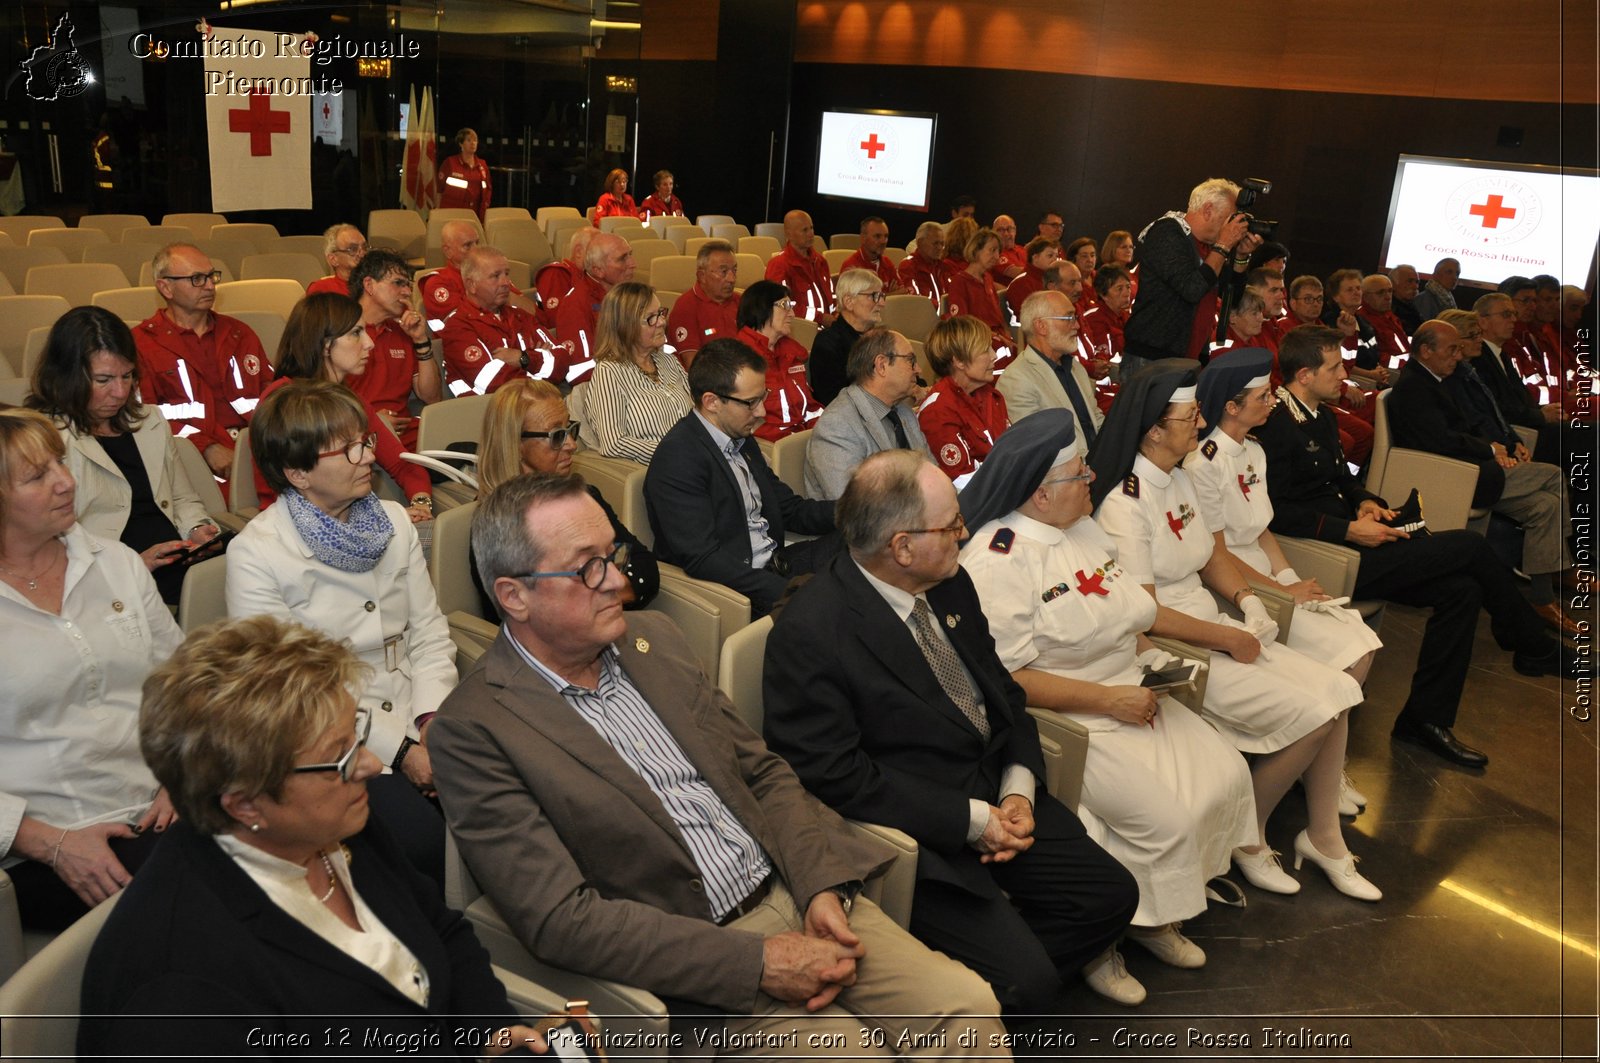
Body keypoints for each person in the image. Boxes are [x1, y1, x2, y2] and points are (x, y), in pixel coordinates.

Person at [431, 473, 1007, 1054]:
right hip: (705, 962)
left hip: (800, 891)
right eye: (587, 568)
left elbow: (762, 772)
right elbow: (562, 919)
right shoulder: (476, 728)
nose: (619, 580)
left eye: (615, 555)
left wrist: (817, 887)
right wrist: (757, 962)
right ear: (514, 595)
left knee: (971, 1009)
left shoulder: (654, 639)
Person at [763, 449, 1141, 1010]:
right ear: (901, 547)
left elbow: (1003, 695)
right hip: (921, 828)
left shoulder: (948, 583)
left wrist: (1018, 787)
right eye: (952, 526)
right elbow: (831, 775)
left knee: (1112, 897)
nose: (965, 535)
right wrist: (970, 822)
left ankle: (996, 992)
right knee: (1029, 983)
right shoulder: (812, 632)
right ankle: (978, 1014)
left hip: (996, 790)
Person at [79, 616, 546, 1057]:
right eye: (339, 757)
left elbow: (440, 931)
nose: (367, 766)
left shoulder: (332, 823)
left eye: (355, 737)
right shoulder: (179, 990)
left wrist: (490, 1033)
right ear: (244, 803)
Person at [960, 411, 1255, 1002]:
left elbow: (1126, 614)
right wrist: (1107, 699)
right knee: (1164, 818)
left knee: (1225, 775)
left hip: (1130, 692)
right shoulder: (1000, 559)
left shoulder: (1085, 530)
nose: (1093, 476)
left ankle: (1151, 918)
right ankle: (1104, 942)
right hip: (1071, 718)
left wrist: (1151, 666)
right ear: (1040, 494)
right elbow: (1008, 678)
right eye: (1078, 473)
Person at [1090, 359, 1379, 902]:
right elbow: (1145, 614)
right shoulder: (1124, 505)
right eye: (1188, 417)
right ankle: (1249, 839)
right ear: (1154, 429)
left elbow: (1208, 557)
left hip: (1213, 621)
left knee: (1340, 691)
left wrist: (1248, 602)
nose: (1199, 426)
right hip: (1179, 642)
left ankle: (1323, 837)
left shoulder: (1175, 480)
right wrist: (1226, 636)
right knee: (1317, 711)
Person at [1255, 326, 1572, 769]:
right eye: (1334, 366)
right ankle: (1531, 644)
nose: (1344, 372)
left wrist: (1366, 502)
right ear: (1304, 374)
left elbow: (1343, 479)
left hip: (1354, 540)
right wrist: (1347, 530)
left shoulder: (1322, 415)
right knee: (1468, 548)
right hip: (1321, 553)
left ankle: (1425, 721)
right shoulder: (1275, 425)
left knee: (1462, 590)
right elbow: (1274, 511)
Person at [226, 380, 453, 883]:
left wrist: (434, 718)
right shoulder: (257, 554)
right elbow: (299, 692)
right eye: (348, 448)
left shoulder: (392, 519)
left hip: (421, 707)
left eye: (366, 440)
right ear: (297, 473)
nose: (367, 456)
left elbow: (429, 632)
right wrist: (403, 750)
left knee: (510, 800)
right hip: (338, 744)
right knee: (425, 844)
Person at [0, 408, 182, 931]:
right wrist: (51, 844)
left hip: (160, 804)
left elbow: (180, 681)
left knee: (292, 824)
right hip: (51, 841)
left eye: (60, 462)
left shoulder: (114, 561)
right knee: (202, 892)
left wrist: (182, 773)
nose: (66, 482)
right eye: (38, 476)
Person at [1184, 348, 1384, 815]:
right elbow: (1219, 553)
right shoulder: (1204, 464)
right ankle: (1314, 767)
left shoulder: (1253, 450)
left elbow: (1262, 529)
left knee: (1362, 641)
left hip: (1266, 574)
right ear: (1231, 407)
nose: (1272, 401)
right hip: (1233, 587)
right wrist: (1280, 592)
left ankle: (1322, 767)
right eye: (1262, 395)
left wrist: (1291, 576)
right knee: (1351, 652)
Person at [1387, 320, 1573, 633]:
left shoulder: (1437, 380)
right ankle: (1560, 568)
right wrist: (1489, 449)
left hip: (1473, 468)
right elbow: (1440, 440)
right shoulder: (1414, 388)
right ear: (1425, 351)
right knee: (1554, 476)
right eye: (1451, 349)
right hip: (1456, 477)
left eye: (1459, 349)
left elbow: (1464, 426)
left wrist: (1499, 447)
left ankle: (1543, 597)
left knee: (1546, 506)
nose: (1458, 356)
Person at [29, 307, 221, 607]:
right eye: (103, 380)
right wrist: (127, 565)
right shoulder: (43, 438)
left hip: (176, 559)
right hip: (101, 579)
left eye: (128, 376)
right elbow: (45, 541)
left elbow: (183, 499)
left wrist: (197, 530)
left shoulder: (151, 421)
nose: (120, 392)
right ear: (66, 376)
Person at [645, 339, 836, 618]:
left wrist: (855, 510)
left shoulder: (739, 436)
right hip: (739, 589)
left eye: (763, 396)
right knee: (836, 605)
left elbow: (790, 509)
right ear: (711, 402)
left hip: (777, 562)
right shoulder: (679, 458)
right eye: (751, 402)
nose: (761, 412)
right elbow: (704, 559)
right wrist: (788, 590)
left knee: (870, 542)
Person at [475, 379, 657, 616]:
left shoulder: (584, 496)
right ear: (516, 443)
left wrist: (593, 596)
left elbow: (645, 566)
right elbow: (524, 615)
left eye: (570, 430)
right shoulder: (497, 523)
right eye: (557, 435)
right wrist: (609, 591)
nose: (572, 445)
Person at [254, 293, 433, 520]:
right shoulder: (281, 400)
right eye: (356, 333)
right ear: (325, 344)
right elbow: (283, 494)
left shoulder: (348, 399)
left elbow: (403, 464)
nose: (369, 343)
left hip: (351, 520)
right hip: (298, 532)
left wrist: (421, 504)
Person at [133, 243, 272, 482]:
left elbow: (272, 396)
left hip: (259, 450)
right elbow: (142, 418)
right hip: (189, 463)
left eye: (211, 276)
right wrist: (205, 447)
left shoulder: (239, 333)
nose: (209, 285)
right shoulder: (141, 344)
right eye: (197, 278)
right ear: (165, 287)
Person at [1123, 178, 1263, 375]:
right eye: (1229, 218)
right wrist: (1223, 245)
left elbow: (1232, 297)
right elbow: (1192, 288)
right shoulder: (1167, 232)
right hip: (1153, 359)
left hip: (1188, 358)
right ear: (1207, 210)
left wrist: (1240, 256)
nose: (1233, 227)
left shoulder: (1210, 248)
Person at [804, 328, 928, 499]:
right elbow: (854, 508)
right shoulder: (837, 426)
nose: (919, 369)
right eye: (911, 361)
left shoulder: (904, 412)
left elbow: (931, 473)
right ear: (882, 365)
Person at [440, 246, 576, 395]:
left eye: (506, 274)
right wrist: (542, 363)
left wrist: (524, 358)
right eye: (495, 276)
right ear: (472, 284)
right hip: (488, 413)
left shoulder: (520, 316)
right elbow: (495, 384)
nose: (506, 283)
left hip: (538, 405)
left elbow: (564, 360)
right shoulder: (457, 327)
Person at [581, 282, 693, 463]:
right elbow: (613, 442)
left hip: (695, 461)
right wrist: (672, 450)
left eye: (661, 313)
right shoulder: (609, 371)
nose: (662, 322)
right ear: (626, 326)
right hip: (661, 468)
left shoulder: (668, 362)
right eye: (651, 318)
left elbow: (699, 412)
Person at [349, 249, 443, 451]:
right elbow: (323, 402)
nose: (407, 292)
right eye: (398, 283)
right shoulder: (340, 330)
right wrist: (370, 421)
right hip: (356, 437)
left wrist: (420, 339)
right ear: (369, 285)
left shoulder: (403, 333)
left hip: (407, 438)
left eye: (408, 286)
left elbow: (432, 397)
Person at [999, 290, 1103, 448]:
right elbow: (1037, 448)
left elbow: (1096, 421)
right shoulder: (1016, 380)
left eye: (1075, 317)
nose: (1077, 325)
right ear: (1041, 326)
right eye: (1069, 318)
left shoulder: (1074, 366)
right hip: (1070, 470)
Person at [918, 315, 1008, 484]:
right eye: (985, 350)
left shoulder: (991, 396)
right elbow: (961, 481)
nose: (994, 355)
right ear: (959, 361)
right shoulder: (937, 411)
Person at [734, 280, 823, 441]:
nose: (792, 314)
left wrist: (826, 428)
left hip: (803, 441)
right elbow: (747, 422)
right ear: (762, 307)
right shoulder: (739, 357)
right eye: (785, 305)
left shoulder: (792, 353)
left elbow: (810, 408)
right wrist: (794, 441)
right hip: (769, 447)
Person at [552, 232, 636, 380]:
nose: (633, 264)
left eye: (630, 254)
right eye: (623, 259)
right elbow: (581, 371)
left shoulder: (633, 294)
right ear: (598, 270)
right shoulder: (576, 304)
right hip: (604, 390)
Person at [808, 268, 886, 407]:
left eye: (881, 296)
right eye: (874, 296)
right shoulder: (827, 344)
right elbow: (835, 400)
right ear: (849, 302)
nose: (882, 303)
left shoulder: (881, 338)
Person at [944, 227, 1016, 366]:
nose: (997, 256)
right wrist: (996, 337)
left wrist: (1007, 336)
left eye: (998, 251)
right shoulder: (959, 282)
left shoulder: (988, 278)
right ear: (976, 250)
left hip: (997, 337)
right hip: (979, 340)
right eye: (992, 250)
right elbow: (962, 323)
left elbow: (998, 318)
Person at [664, 238, 739, 366]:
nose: (732, 279)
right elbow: (693, 365)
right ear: (701, 276)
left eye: (734, 270)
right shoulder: (686, 307)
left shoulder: (740, 301)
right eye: (724, 272)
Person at [764, 209, 836, 324]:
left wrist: (836, 314)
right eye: (805, 230)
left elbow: (832, 295)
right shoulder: (779, 265)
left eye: (811, 228)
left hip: (828, 328)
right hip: (800, 329)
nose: (811, 233)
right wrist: (821, 318)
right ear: (789, 234)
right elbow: (782, 305)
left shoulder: (820, 261)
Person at [531, 226, 597, 333]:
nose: (603, 256)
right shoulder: (557, 274)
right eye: (597, 250)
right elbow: (558, 321)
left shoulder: (593, 277)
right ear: (579, 252)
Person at [435, 127, 492, 222]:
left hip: (475, 215)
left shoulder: (482, 165)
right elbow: (439, 190)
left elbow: (488, 189)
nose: (473, 143)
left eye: (475, 140)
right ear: (461, 144)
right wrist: (437, 212)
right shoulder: (450, 163)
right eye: (469, 140)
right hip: (452, 215)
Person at [1000, 237, 1061, 325]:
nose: (1055, 260)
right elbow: (1027, 319)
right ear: (1035, 258)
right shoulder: (1021, 284)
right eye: (1050, 255)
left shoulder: (1053, 279)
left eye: (1056, 256)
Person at [838, 215, 901, 292]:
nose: (883, 241)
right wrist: (890, 296)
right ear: (863, 238)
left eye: (886, 236)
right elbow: (856, 301)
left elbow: (902, 292)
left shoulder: (887, 263)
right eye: (877, 236)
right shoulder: (851, 266)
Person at [899, 220, 952, 306]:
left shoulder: (944, 266)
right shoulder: (908, 266)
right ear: (920, 243)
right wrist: (942, 309)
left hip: (945, 317)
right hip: (923, 317)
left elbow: (953, 295)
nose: (940, 248)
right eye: (935, 243)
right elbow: (915, 300)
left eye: (942, 244)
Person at [308, 223, 368, 296]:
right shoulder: (322, 289)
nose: (362, 253)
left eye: (364, 247)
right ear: (333, 259)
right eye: (353, 249)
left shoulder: (377, 284)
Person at [1412, 257, 1460, 322]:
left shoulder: (1448, 300)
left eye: (1457, 274)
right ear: (1436, 274)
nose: (1454, 277)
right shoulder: (1425, 299)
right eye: (1449, 272)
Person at [1100, 230, 1138, 299]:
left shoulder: (1131, 274)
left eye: (1131, 247)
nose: (1128, 250)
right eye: (1124, 247)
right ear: (1112, 249)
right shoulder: (1106, 274)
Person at [1388, 264, 1423, 337]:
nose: (1415, 286)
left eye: (1417, 282)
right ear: (1392, 284)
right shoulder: (1387, 309)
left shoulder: (1414, 306)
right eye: (1409, 281)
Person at [990, 214, 1026, 282]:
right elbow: (1015, 273)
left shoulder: (1023, 250)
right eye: (1000, 230)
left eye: (1009, 229)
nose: (1006, 234)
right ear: (993, 233)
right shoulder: (994, 254)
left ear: (1015, 230)